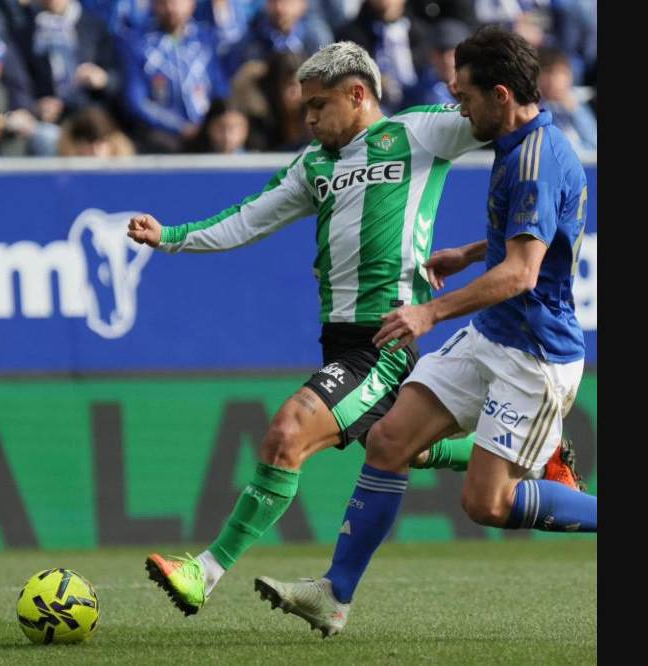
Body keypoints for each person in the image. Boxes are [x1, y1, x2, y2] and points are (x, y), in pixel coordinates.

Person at [125, 40, 582, 619]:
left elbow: (502, 120)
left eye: (319, 105)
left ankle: (205, 572)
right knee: (395, 444)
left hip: (386, 339)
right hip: (339, 339)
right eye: (304, 107)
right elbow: (246, 219)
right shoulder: (312, 165)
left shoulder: (420, 132)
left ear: (358, 95)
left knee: (289, 431)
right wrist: (171, 235)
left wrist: (448, 287)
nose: (309, 118)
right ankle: (537, 458)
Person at [252, 26, 596, 638]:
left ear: (499, 93)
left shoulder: (538, 160)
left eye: (463, 94)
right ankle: (335, 595)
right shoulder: (516, 141)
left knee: (485, 504)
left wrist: (430, 313)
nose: (457, 105)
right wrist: (467, 253)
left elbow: (521, 274)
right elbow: (529, 243)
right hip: (494, 335)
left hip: (534, 353)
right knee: (388, 440)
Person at [120, 0, 228, 153]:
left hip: (206, 131)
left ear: (192, 4)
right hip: (161, 136)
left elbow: (221, 89)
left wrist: (209, 125)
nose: (170, 8)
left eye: (177, 2)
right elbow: (136, 101)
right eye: (163, 3)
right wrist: (179, 127)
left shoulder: (207, 39)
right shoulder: (137, 43)